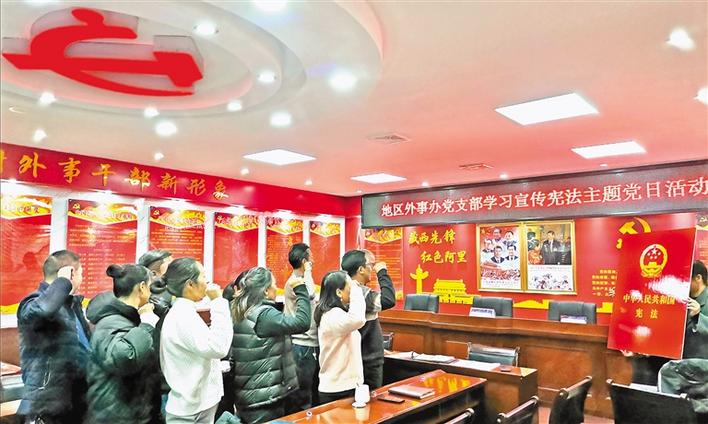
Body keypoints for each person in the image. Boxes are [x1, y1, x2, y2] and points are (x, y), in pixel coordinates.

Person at [17, 250, 90, 424]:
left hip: (75, 401)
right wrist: (63, 282)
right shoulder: (32, 302)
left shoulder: (71, 306)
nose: (82, 279)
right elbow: (41, 311)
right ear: (70, 273)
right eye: (80, 273)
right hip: (46, 404)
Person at [230, 267, 311, 423]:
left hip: (251, 393)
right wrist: (300, 289)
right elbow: (302, 322)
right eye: (274, 284)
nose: (276, 287)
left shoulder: (242, 309)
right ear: (266, 291)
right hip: (265, 398)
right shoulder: (265, 314)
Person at [85, 264, 162, 424]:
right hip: (116, 416)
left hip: (132, 411)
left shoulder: (129, 318)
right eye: (149, 286)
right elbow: (124, 357)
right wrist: (147, 325)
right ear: (142, 287)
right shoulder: (110, 322)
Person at [160, 258, 233, 424]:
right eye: (203, 276)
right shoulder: (182, 316)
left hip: (197, 405)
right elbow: (218, 347)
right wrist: (218, 302)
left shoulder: (186, 311)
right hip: (190, 411)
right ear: (190, 284)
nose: (207, 281)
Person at [341, 249, 396, 389]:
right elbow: (388, 300)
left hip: (353, 358)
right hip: (368, 360)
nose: (372, 269)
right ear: (361, 270)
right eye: (371, 265)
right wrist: (382, 272)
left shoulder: (341, 289)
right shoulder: (360, 292)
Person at [315, 271, 366, 404]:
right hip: (339, 389)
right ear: (339, 292)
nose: (351, 290)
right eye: (349, 288)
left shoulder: (334, 314)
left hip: (342, 385)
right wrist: (356, 289)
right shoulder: (333, 315)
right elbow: (358, 319)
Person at [283, 243, 319, 410]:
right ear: (305, 261)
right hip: (302, 344)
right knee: (302, 397)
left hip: (309, 343)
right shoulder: (294, 281)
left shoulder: (302, 279)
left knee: (311, 392)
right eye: (311, 258)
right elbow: (309, 293)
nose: (313, 261)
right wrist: (308, 271)